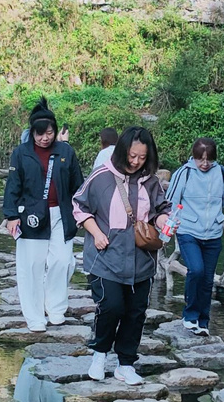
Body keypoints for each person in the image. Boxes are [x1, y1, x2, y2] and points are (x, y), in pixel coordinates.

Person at [73, 126, 170, 385]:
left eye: (142, 157)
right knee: (111, 306)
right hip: (106, 256)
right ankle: (99, 354)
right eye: (132, 155)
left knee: (136, 312)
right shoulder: (102, 176)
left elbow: (161, 210)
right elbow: (79, 206)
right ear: (122, 151)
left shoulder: (150, 181)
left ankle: (126, 364)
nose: (136, 161)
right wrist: (96, 233)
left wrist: (164, 221)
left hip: (141, 260)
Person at [3, 98, 84, 333]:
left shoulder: (65, 151)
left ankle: (56, 308)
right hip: (30, 215)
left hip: (61, 213)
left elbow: (78, 185)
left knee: (63, 261)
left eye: (49, 133)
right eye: (39, 134)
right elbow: (13, 186)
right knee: (31, 267)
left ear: (55, 131)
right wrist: (11, 215)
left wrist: (81, 211)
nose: (44, 138)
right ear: (32, 133)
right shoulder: (21, 153)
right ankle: (35, 317)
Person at [168, 137, 224, 337]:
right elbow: (169, 202)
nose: (204, 164)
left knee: (208, 279)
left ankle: (203, 321)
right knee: (196, 270)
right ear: (193, 157)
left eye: (208, 159)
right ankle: (189, 315)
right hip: (188, 230)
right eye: (200, 159)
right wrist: (167, 225)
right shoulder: (184, 173)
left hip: (213, 233)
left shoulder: (221, 172)